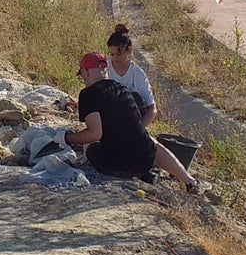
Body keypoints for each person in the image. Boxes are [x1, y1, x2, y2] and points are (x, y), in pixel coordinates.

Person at [64, 52, 203, 191]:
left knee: (88, 143)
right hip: (144, 162)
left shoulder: (89, 94)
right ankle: (189, 180)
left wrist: (68, 137)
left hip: (115, 165)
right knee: (149, 140)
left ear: (85, 72)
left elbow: (95, 134)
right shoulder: (123, 89)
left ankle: (131, 173)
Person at [107, 24, 156, 128]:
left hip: (132, 121)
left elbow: (152, 108)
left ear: (129, 50)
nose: (115, 58)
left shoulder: (136, 73)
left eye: (118, 54)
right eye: (112, 54)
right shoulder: (104, 67)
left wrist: (139, 129)